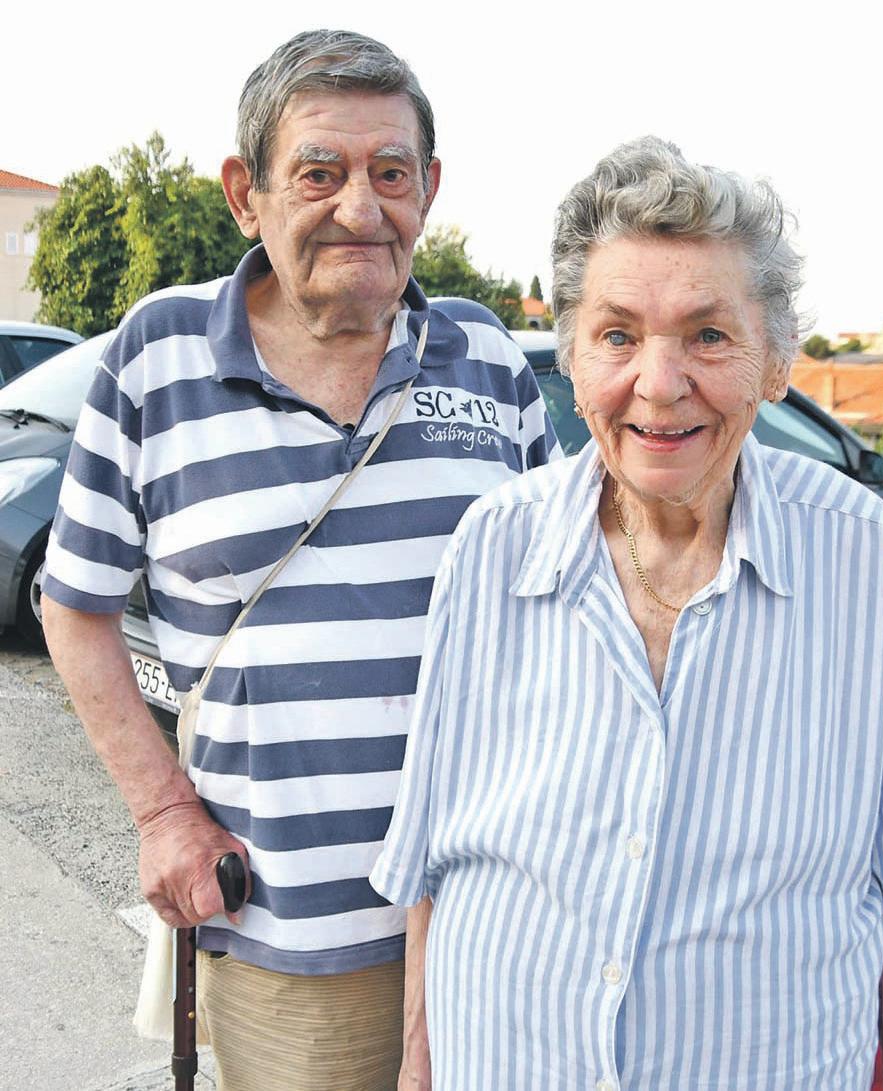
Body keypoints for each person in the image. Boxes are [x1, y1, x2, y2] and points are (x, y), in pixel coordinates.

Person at [370, 137, 883, 1090]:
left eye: (708, 335)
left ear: (774, 360)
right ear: (575, 359)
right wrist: (416, 1070)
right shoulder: (491, 547)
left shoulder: (863, 557)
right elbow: (429, 868)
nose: (659, 383)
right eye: (618, 335)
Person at [40, 29, 558, 1091]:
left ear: (430, 191)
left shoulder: (489, 359)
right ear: (247, 194)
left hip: (497, 912)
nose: (361, 209)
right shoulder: (159, 355)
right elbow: (74, 604)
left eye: (391, 174)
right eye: (320, 173)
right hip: (292, 934)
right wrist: (164, 812)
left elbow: (566, 601)